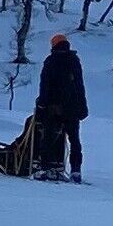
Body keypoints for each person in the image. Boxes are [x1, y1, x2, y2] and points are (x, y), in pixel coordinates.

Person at [34, 29, 88, 178]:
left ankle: (46, 167)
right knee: (74, 140)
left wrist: (42, 104)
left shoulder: (51, 61)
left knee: (49, 137)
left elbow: (45, 85)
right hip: (73, 108)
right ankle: (76, 170)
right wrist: (83, 107)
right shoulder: (74, 61)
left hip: (53, 108)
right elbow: (79, 85)